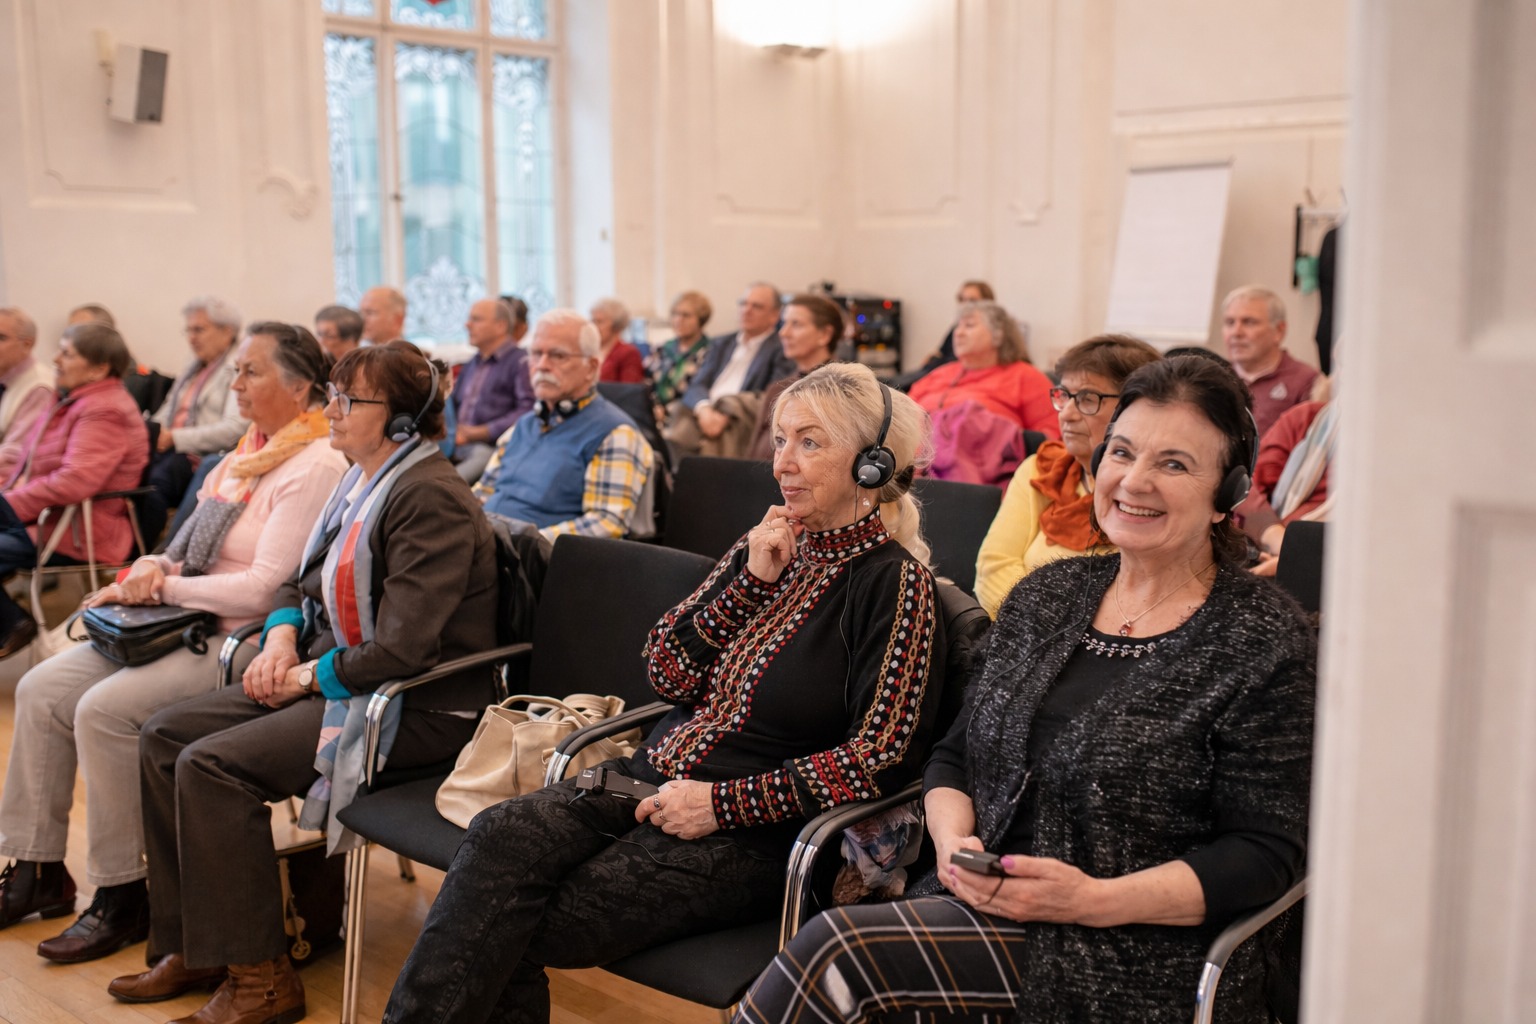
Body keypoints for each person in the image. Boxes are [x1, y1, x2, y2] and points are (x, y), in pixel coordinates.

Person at [734, 356, 1316, 1024]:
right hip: (976, 906)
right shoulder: (1047, 597)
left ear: (1229, 491)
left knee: (842, 956)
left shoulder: (1263, 637)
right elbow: (954, 755)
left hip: (1136, 951)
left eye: (1174, 464)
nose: (1134, 480)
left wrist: (1091, 900)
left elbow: (1266, 855)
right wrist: (953, 848)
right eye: (1121, 452)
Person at [382, 361, 948, 1024]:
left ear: (872, 464)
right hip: (648, 777)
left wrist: (719, 804)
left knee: (515, 922)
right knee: (496, 835)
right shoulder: (765, 543)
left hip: (756, 833)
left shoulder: (897, 586)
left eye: (810, 443)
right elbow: (666, 673)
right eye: (780, 440)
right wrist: (750, 586)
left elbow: (879, 759)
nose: (782, 463)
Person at [110, 344, 499, 1023]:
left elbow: (404, 649)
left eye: (350, 400)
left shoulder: (429, 498)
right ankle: (201, 944)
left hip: (413, 702)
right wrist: (284, 633)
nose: (333, 411)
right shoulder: (360, 478)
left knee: (212, 767)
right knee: (164, 735)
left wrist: (301, 676)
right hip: (340, 674)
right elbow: (300, 578)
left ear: (402, 420)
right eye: (334, 396)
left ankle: (261, 979)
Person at [0, 324, 346, 962]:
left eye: (251, 373)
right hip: (176, 622)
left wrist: (163, 589)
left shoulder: (314, 462)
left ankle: (122, 892)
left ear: (301, 389)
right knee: (39, 686)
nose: (235, 385)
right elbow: (182, 547)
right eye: (236, 371)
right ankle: (36, 866)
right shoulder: (245, 454)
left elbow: (264, 589)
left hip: (242, 640)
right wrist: (150, 567)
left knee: (101, 711)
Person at [973, 334, 1161, 616]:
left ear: (1134, 407)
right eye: (1064, 396)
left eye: (1087, 399)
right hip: (1021, 639)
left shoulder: (1149, 493)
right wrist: (1041, 627)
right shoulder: (1042, 469)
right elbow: (993, 566)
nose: (1067, 414)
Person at [0, 323, 150, 658]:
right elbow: (30, 462)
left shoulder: (104, 408)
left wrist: (7, 505)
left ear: (99, 368)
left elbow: (75, 481)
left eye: (67, 353)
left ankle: (11, 622)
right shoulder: (72, 398)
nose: (55, 359)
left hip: (76, 530)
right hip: (46, 519)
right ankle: (10, 622)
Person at [473, 309, 653, 541]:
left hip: (536, 566)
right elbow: (482, 493)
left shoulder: (615, 434)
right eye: (536, 353)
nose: (542, 365)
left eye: (558, 356)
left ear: (590, 368)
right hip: (485, 548)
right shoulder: (523, 425)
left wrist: (524, 545)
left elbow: (606, 524)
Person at [144, 296, 250, 545]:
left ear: (227, 332)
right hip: (171, 450)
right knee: (129, 470)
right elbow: (168, 409)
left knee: (153, 486)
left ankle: (151, 554)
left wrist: (174, 438)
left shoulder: (237, 367)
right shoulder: (192, 367)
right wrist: (151, 432)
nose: (192, 337)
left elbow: (235, 427)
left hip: (199, 456)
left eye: (199, 329)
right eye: (189, 330)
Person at [664, 282, 795, 458]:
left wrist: (726, 413)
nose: (746, 310)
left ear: (774, 315)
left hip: (738, 418)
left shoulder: (780, 349)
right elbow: (697, 384)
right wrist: (703, 409)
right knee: (678, 416)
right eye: (743, 304)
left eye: (756, 306)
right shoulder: (721, 343)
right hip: (705, 412)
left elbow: (770, 396)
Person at [908, 300, 1056, 435]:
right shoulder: (941, 373)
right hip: (910, 459)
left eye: (969, 325)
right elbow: (900, 416)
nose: (958, 333)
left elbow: (1051, 436)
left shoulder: (1026, 376)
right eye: (958, 326)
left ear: (998, 335)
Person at [744, 293, 843, 460]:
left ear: (825, 334)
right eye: (784, 323)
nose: (783, 333)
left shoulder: (841, 391)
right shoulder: (777, 389)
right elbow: (751, 455)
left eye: (796, 324)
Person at [451, 297, 536, 482]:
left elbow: (528, 410)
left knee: (453, 480)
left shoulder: (520, 362)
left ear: (500, 326)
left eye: (476, 319)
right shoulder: (473, 362)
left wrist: (482, 432)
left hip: (491, 447)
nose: (467, 325)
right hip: (457, 442)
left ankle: (445, 491)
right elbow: (453, 403)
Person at [1220, 285, 1319, 437]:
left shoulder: (1306, 381)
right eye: (1230, 322)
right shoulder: (1214, 377)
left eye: (1249, 322)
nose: (1236, 332)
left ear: (1279, 331)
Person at [892, 279, 994, 390]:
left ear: (986, 303)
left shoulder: (989, 332)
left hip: (946, 375)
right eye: (962, 300)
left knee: (893, 388)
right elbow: (941, 352)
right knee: (887, 383)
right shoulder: (957, 326)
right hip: (934, 370)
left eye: (972, 300)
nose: (965, 305)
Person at [646, 290, 713, 421]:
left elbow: (700, 391)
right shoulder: (661, 349)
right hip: (652, 414)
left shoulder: (710, 352)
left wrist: (667, 411)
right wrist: (653, 406)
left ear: (701, 320)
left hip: (686, 419)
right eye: (675, 314)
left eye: (686, 315)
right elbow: (646, 382)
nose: (678, 320)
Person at [0, 307, 56, 448]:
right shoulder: (4, 375)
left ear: (27, 344)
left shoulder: (39, 388)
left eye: (1, 338)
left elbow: (14, 455)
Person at [590, 297, 647, 384]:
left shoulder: (628, 353)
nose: (594, 327)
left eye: (599, 322)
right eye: (593, 321)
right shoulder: (588, 352)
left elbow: (629, 391)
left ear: (616, 324)